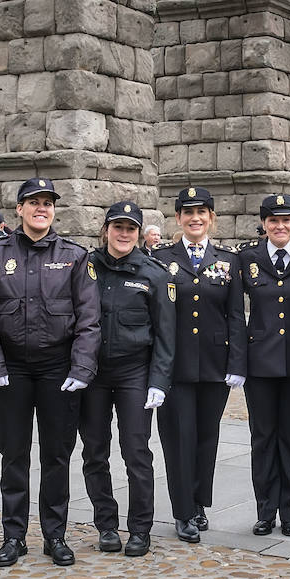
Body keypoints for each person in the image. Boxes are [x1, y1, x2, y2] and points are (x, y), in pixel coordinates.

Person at [0, 177, 100, 567]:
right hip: (11, 369)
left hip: (58, 369)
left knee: (57, 455)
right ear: (20, 209)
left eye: (48, 203)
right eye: (34, 202)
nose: (42, 208)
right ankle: (14, 535)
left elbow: (89, 318)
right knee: (13, 454)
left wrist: (82, 367)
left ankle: (55, 535)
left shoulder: (74, 256)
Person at [151, 187, 247, 542]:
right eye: (188, 212)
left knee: (207, 437)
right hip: (174, 366)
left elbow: (235, 315)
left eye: (201, 212)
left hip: (213, 364)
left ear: (211, 218)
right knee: (179, 439)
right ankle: (182, 512)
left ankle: (199, 502)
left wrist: (237, 362)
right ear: (177, 218)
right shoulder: (161, 258)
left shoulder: (228, 260)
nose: (195, 218)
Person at [80, 202, 175, 557]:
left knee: (136, 452)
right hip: (93, 374)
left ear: (138, 233)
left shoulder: (154, 274)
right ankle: (106, 525)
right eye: (117, 227)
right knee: (94, 452)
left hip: (134, 371)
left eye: (130, 228)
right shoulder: (86, 267)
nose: (123, 234)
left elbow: (166, 333)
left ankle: (140, 528)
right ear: (106, 230)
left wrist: (159, 381)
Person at [239, 195, 290, 537]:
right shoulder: (247, 258)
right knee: (263, 438)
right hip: (260, 364)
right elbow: (233, 310)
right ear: (264, 224)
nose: (280, 226)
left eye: (285, 220)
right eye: (273, 221)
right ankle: (266, 510)